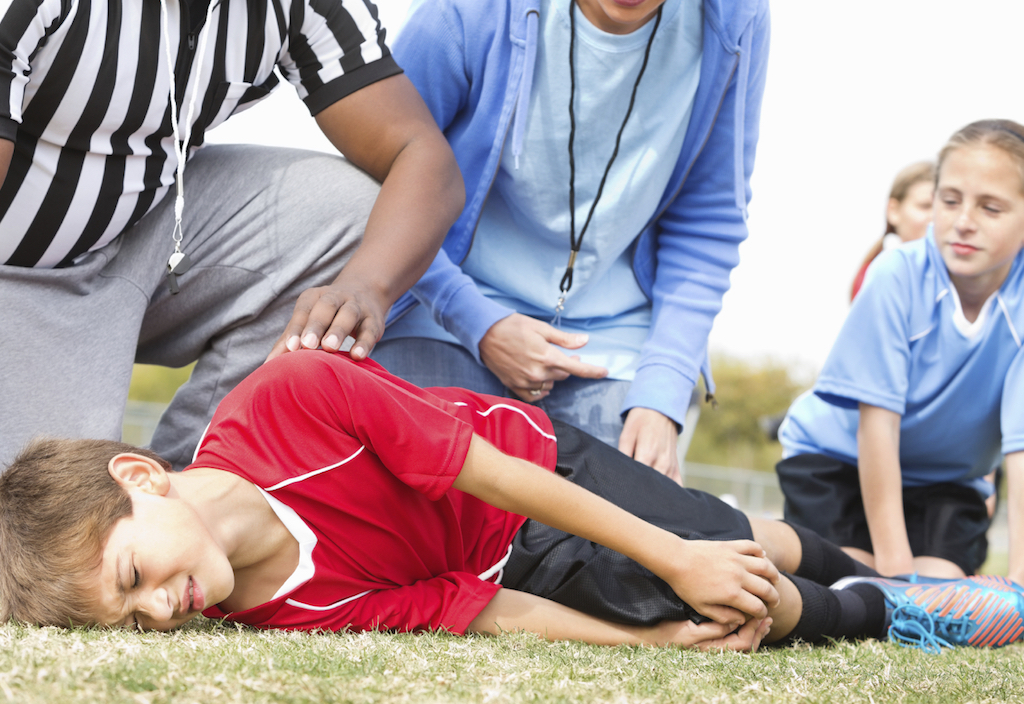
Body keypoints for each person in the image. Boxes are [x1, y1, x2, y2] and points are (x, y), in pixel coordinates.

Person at [3, 348, 1024, 655]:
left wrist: (671, 552)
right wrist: (649, 640)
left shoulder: (289, 400)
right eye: (129, 617)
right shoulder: (266, 605)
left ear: (141, 475)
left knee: (712, 537)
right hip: (503, 559)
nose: (157, 608)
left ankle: (864, 567)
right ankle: (895, 611)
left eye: (132, 576)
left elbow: (492, 477)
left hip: (537, 469)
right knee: (731, 604)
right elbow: (472, 603)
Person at [0, 0, 463, 471]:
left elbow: (422, 155)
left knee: (345, 210)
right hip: (16, 263)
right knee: (48, 520)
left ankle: (201, 478)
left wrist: (365, 288)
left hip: (139, 235)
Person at [369, 0, 769, 484]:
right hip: (442, 310)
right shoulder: (468, 12)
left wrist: (662, 390)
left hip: (611, 340)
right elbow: (378, 180)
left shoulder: (736, 18)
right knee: (423, 507)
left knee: (640, 534)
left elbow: (708, 220)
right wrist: (475, 319)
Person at [777, 120, 1024, 584]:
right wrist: (895, 576)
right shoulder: (895, 275)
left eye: (991, 207)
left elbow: (1021, 447)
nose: (964, 221)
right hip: (839, 465)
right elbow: (877, 428)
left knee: (943, 584)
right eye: (948, 201)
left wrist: (1021, 584)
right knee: (856, 582)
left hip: (944, 484)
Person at [850, 161, 936, 300]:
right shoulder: (877, 274)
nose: (935, 218)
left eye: (945, 206)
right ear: (893, 211)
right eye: (925, 206)